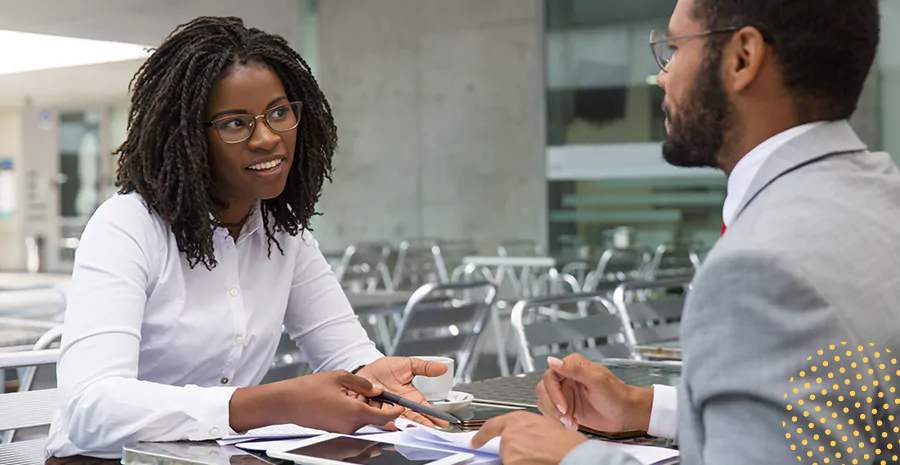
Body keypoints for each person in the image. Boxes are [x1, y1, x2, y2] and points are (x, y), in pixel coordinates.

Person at [471, 0, 900, 463]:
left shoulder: (759, 267)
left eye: (675, 48)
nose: (661, 75)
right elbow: (850, 413)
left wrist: (570, 456)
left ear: (742, 58)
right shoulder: (880, 197)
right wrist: (644, 406)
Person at [45, 16, 446, 460]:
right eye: (236, 123)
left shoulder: (282, 233)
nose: (268, 137)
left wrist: (371, 376)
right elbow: (90, 407)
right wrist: (274, 402)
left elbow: (346, 355)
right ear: (185, 138)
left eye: (279, 113)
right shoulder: (127, 226)